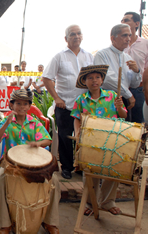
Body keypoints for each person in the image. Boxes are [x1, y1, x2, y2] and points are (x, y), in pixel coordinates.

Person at [0, 89, 60, 234]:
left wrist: (38, 143)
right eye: (18, 103)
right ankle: (5, 224)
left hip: (34, 165)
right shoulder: (6, 121)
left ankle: (50, 222)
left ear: (29, 106)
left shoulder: (34, 123)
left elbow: (48, 139)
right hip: (11, 164)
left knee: (54, 181)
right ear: (12, 105)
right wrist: (6, 123)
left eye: (25, 104)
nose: (21, 107)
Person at [71, 65, 127, 216]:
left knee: (112, 171)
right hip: (90, 140)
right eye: (90, 78)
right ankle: (89, 202)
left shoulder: (112, 95)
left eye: (97, 77)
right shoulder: (81, 100)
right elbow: (76, 118)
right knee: (90, 172)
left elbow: (123, 116)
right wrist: (77, 134)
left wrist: (120, 107)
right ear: (84, 81)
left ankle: (108, 202)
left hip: (112, 139)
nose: (94, 80)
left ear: (102, 80)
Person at [43, 24, 94, 179]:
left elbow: (95, 78)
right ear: (66, 38)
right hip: (64, 104)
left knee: (84, 137)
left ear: (82, 36)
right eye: (72, 34)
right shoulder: (59, 56)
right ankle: (66, 167)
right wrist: (57, 98)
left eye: (79, 33)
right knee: (65, 136)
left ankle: (81, 165)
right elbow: (46, 78)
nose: (76, 36)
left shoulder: (89, 56)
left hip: (85, 105)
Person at [94, 24, 141, 122]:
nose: (128, 39)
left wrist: (136, 72)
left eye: (129, 35)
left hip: (125, 101)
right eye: (124, 35)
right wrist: (129, 95)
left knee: (124, 133)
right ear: (113, 38)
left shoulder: (128, 58)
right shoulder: (102, 55)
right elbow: (107, 79)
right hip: (107, 100)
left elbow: (134, 84)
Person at [122, 12, 148, 123]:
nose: (123, 22)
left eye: (126, 20)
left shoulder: (145, 44)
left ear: (137, 23)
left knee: (138, 124)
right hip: (122, 89)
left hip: (139, 90)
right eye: (122, 20)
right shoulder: (118, 44)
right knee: (122, 123)